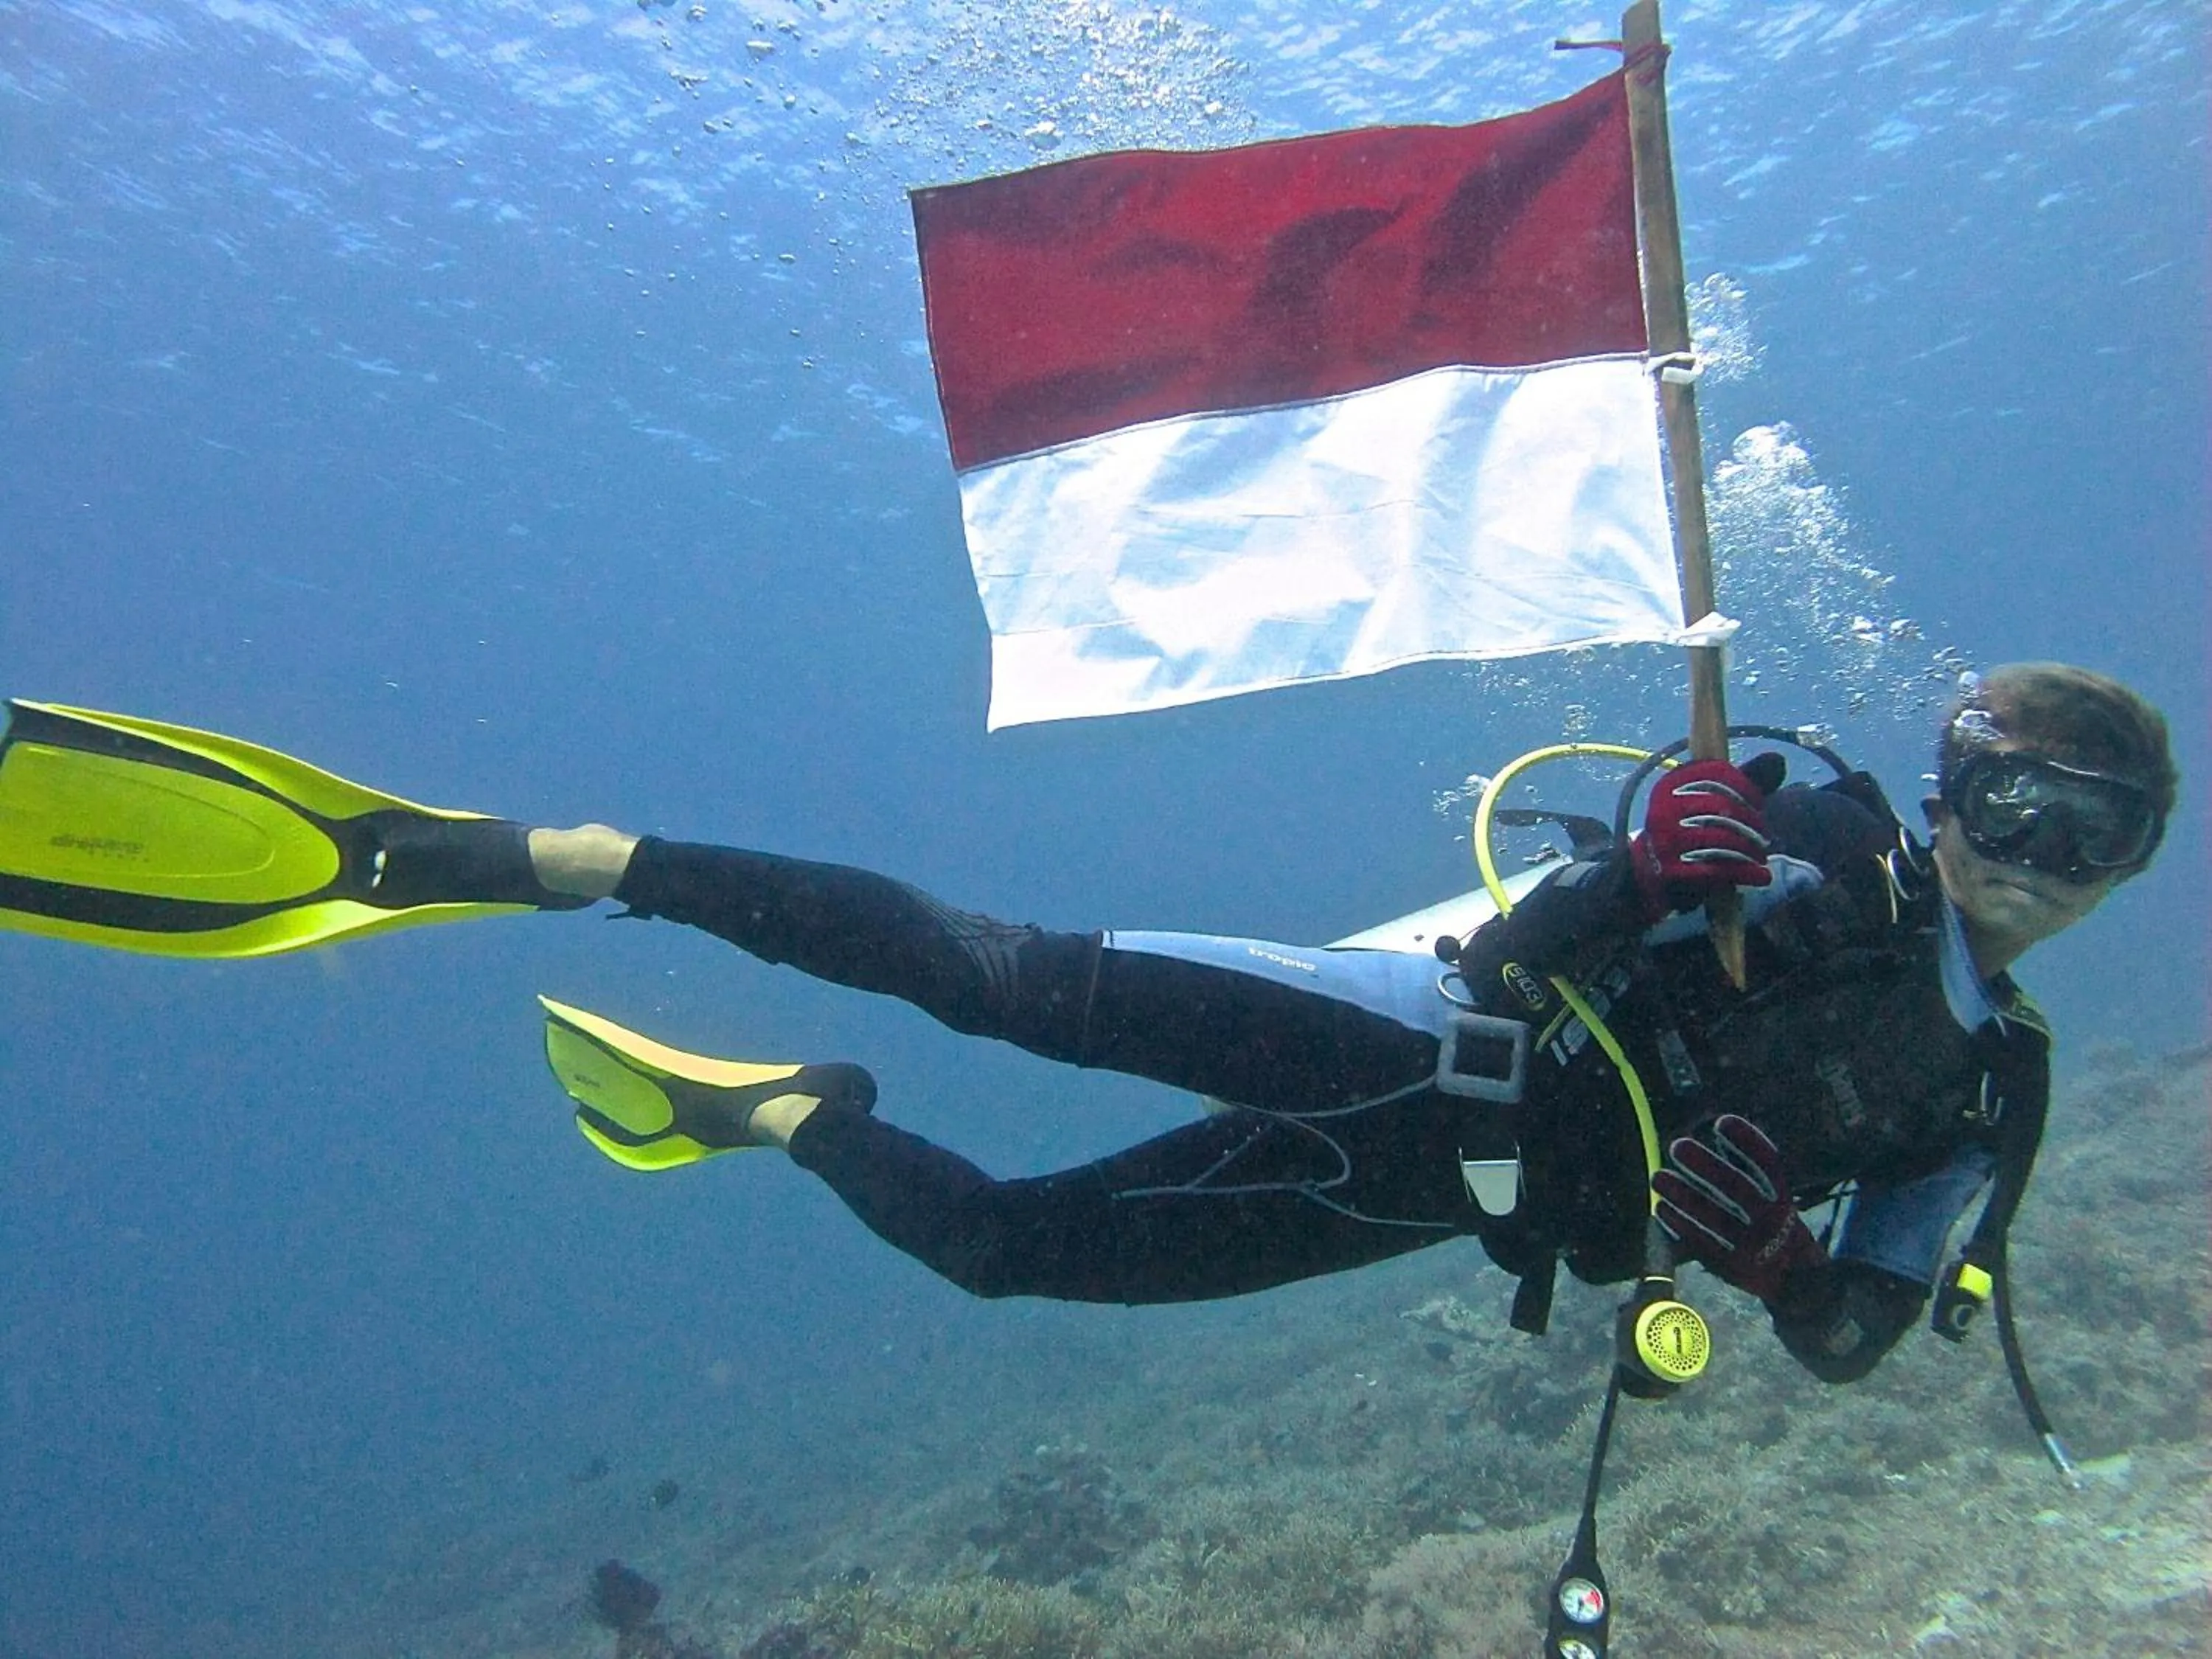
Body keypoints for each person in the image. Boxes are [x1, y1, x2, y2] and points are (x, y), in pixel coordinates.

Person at [0, 664, 2175, 1387]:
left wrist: (1790, 1261)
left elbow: (1861, 1338)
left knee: (1007, 1252)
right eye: (2003, 792)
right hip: (1412, 1034)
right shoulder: (1794, 823)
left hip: (1450, 1197)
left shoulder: (1994, 1092)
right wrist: (1642, 867)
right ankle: (535, 856)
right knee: (998, 976)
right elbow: (1520, 965)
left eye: (2078, 835)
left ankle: (777, 1118)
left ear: (2121, 870)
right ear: (1946, 765)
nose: (2022, 850)